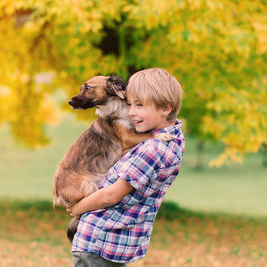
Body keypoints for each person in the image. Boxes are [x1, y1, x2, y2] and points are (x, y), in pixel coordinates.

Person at [67, 68, 185, 266]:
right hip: (108, 242)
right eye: (129, 104)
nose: (131, 112)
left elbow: (110, 195)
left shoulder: (151, 148)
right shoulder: (175, 138)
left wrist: (78, 208)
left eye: (139, 105)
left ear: (166, 108)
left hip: (101, 242)